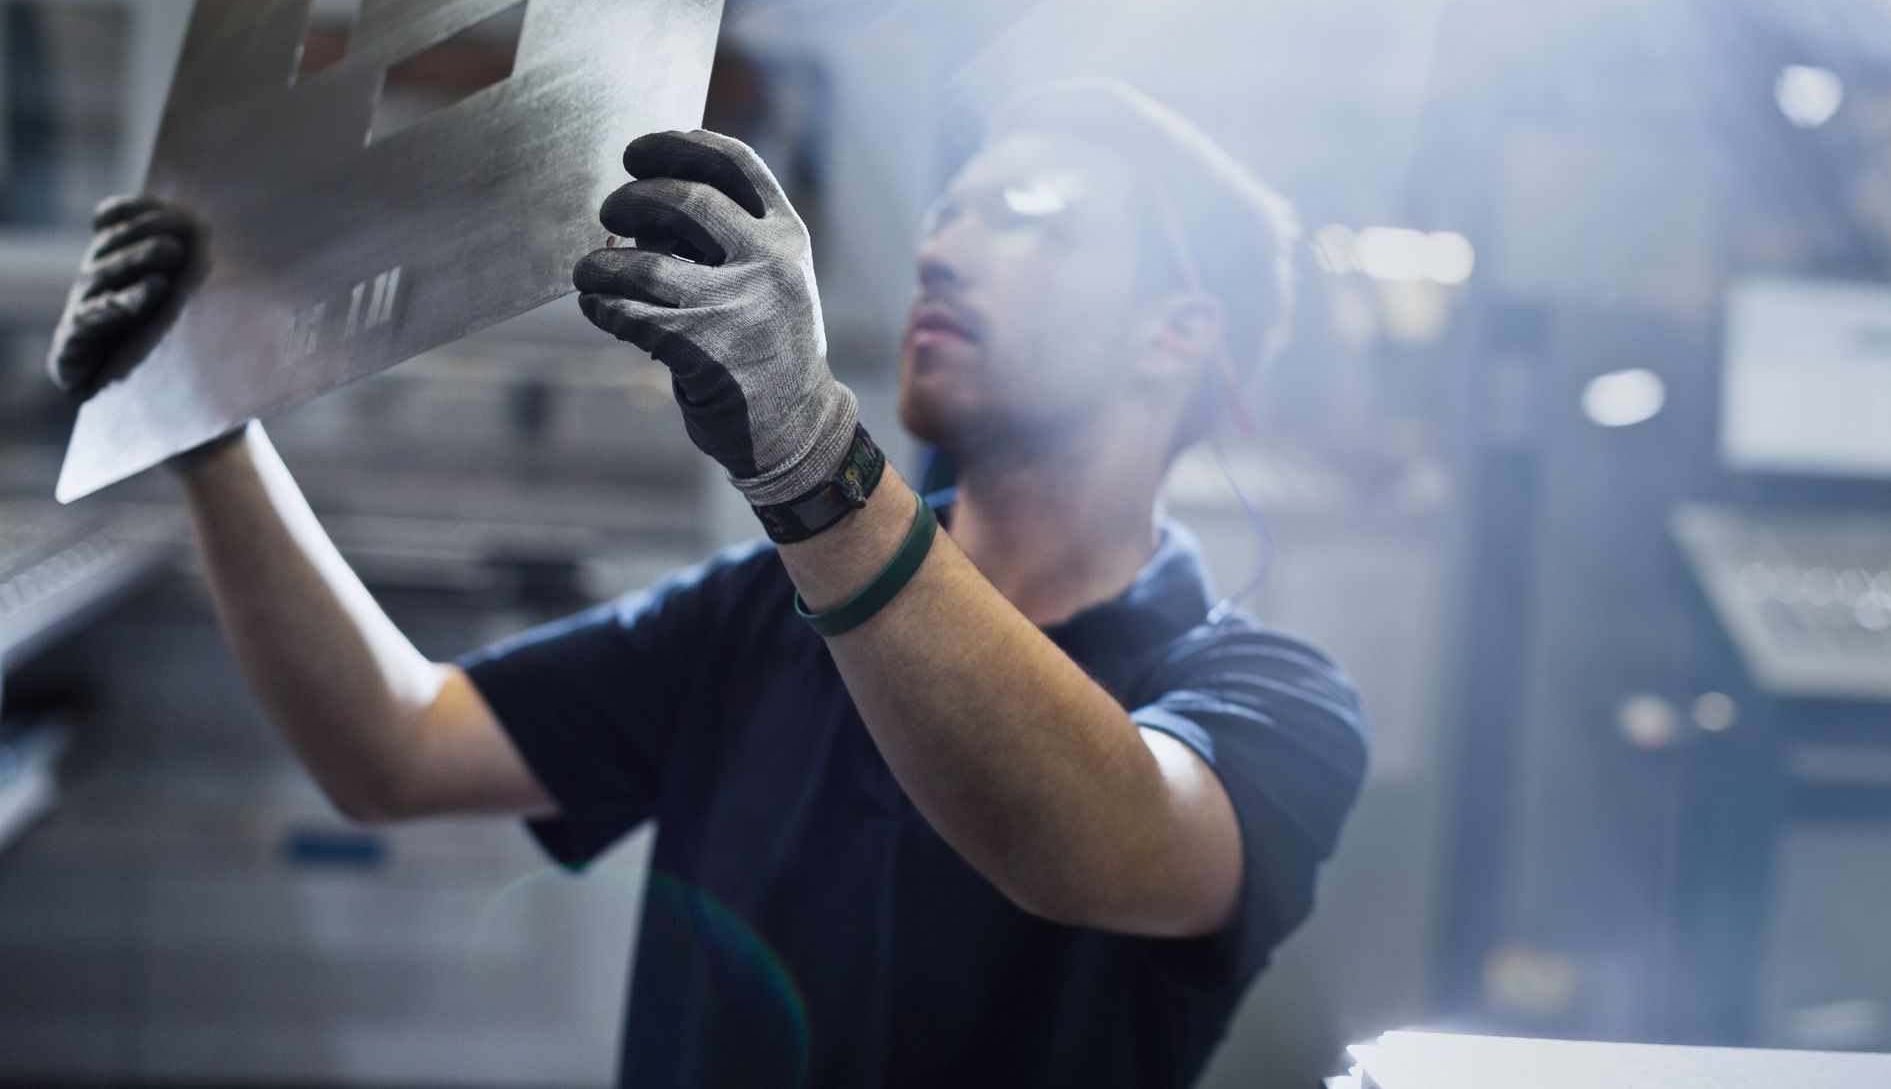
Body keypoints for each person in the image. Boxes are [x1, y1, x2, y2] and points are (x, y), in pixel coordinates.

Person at [47, 79, 1368, 1088]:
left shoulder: (1269, 704)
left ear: (1178, 339)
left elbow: (1099, 843)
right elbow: (395, 748)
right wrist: (210, 428)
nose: (941, 252)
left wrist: (807, 453)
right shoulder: (757, 616)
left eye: (1029, 222)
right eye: (948, 209)